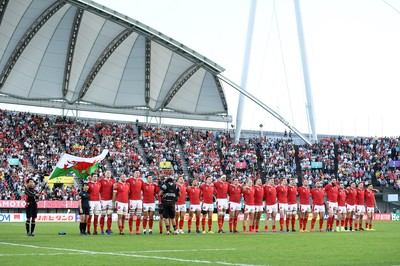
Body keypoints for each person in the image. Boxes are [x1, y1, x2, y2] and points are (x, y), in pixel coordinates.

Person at [99, 170, 116, 235]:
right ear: (105, 174)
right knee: (102, 215)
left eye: (110, 173)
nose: (109, 174)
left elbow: (115, 190)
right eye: (107, 173)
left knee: (110, 215)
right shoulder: (101, 181)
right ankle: (102, 230)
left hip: (110, 200)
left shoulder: (113, 181)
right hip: (103, 200)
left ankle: (108, 229)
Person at [126, 170, 144, 235]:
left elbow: (143, 189)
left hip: (139, 200)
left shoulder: (141, 181)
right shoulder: (129, 180)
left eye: (138, 173)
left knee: (139, 216)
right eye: (136, 173)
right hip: (132, 200)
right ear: (133, 174)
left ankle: (137, 230)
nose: (137, 174)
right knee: (131, 215)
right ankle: (131, 230)